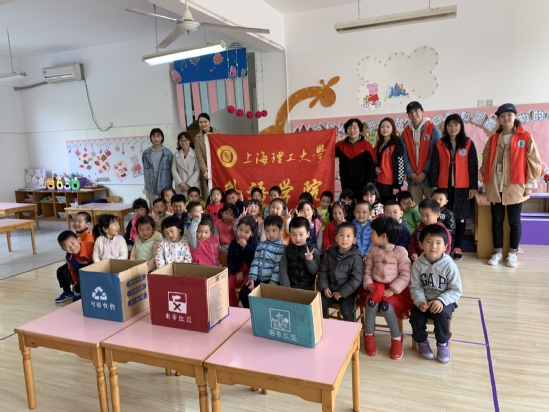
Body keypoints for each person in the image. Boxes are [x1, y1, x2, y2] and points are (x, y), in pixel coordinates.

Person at [479, 103, 542, 267]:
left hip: (516, 185)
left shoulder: (525, 137)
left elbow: (534, 161)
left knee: (514, 220)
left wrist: (530, 184)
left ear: (515, 116)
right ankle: (498, 252)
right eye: (502, 116)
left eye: (509, 115)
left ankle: (513, 253)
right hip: (496, 185)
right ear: (498, 119)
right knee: (497, 220)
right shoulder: (493, 139)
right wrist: (485, 183)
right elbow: (486, 161)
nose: (506, 118)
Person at [409, 224, 462, 363]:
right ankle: (422, 342)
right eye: (429, 242)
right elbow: (415, 287)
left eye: (438, 243)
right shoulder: (417, 264)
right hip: (424, 301)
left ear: (445, 247)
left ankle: (442, 344)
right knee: (415, 319)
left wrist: (441, 301)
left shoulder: (449, 265)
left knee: (441, 316)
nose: (433, 246)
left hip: (445, 301)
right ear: (421, 244)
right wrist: (420, 301)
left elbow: (456, 290)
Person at [362, 216, 412, 359]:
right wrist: (368, 284)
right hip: (375, 286)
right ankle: (368, 335)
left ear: (383, 236)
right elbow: (368, 270)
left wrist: (393, 289)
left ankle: (397, 338)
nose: (370, 235)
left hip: (395, 290)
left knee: (386, 307)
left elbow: (405, 275)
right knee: (371, 303)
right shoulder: (373, 250)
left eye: (373, 232)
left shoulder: (401, 252)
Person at [429, 114, 477, 259]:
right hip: (444, 187)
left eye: (456, 125)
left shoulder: (468, 143)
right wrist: (434, 186)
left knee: (460, 218)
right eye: (449, 125)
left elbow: (473, 166)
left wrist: (473, 187)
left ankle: (458, 247)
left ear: (461, 126)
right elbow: (434, 166)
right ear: (445, 127)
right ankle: (444, 246)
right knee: (443, 217)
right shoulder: (440, 143)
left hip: (463, 187)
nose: (453, 128)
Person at [318, 222, 363, 322]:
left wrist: (342, 292)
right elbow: (323, 272)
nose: (344, 239)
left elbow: (356, 279)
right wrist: (325, 287)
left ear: (354, 240)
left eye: (348, 236)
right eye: (341, 235)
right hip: (330, 289)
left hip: (348, 293)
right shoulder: (329, 253)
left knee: (347, 311)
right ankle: (323, 327)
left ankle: (350, 331)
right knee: (319, 305)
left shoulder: (356, 257)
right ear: (336, 238)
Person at [240, 215, 287, 308]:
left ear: (281, 230)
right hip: (258, 279)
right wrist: (252, 278)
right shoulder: (261, 244)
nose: (270, 234)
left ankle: (260, 314)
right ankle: (250, 314)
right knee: (244, 294)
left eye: (274, 230)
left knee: (264, 301)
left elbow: (278, 268)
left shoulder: (282, 247)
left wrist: (271, 286)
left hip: (271, 282)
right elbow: (255, 261)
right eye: (267, 231)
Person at [401, 101, 441, 202]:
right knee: (414, 207)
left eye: (416, 111)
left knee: (432, 207)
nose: (414, 114)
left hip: (429, 177)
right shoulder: (405, 133)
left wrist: (425, 172)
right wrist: (411, 173)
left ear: (422, 112)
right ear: (408, 115)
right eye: (410, 112)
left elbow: (435, 154)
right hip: (413, 179)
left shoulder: (433, 129)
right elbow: (404, 156)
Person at [55, 215, 94, 303]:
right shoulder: (69, 257)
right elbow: (72, 270)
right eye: (67, 247)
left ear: (79, 240)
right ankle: (73, 292)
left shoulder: (91, 246)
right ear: (63, 249)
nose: (72, 247)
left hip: (95, 269)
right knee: (65, 272)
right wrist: (76, 282)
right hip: (82, 270)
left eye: (73, 243)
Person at [336, 118, 376, 201]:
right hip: (346, 183)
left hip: (362, 183)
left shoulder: (366, 145)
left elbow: (371, 166)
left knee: (362, 205)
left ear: (360, 129)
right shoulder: (340, 145)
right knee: (347, 205)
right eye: (349, 128)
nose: (352, 130)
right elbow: (326, 151)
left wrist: (370, 182)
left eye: (355, 127)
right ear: (346, 130)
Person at [279, 217, 321, 291]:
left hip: (308, 288)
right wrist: (286, 287)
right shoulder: (287, 250)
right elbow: (283, 269)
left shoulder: (313, 251)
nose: (297, 238)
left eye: (301, 234)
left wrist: (310, 261)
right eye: (294, 234)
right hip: (290, 287)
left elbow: (315, 272)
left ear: (308, 234)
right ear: (290, 234)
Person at [227, 216, 259, 307]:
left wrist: (245, 246)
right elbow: (230, 259)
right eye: (240, 230)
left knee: (245, 289)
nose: (242, 233)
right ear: (237, 229)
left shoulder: (254, 242)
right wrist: (237, 272)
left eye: (246, 232)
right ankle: (234, 305)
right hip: (238, 271)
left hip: (251, 272)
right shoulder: (233, 243)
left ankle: (244, 306)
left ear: (251, 233)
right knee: (227, 284)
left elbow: (255, 257)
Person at [374, 117, 404, 204]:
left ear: (392, 129)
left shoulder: (396, 145)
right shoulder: (378, 145)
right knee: (378, 207)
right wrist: (375, 168)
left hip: (390, 184)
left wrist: (397, 185)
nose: (385, 129)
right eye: (382, 127)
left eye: (388, 127)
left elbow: (400, 166)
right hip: (378, 182)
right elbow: (376, 162)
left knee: (389, 208)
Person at [142, 128, 173, 203]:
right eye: (154, 136)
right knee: (154, 204)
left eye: (158, 136)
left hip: (164, 183)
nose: (156, 139)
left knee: (165, 204)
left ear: (162, 137)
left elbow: (172, 169)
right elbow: (144, 168)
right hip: (151, 183)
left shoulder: (168, 153)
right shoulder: (146, 153)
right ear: (151, 138)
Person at [194, 113, 222, 181]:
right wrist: (205, 170)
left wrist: (213, 137)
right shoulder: (197, 138)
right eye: (200, 122)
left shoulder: (219, 133)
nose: (203, 124)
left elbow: (224, 148)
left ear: (209, 122)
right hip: (208, 168)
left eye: (205, 121)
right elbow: (200, 156)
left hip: (220, 166)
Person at [172, 131, 200, 197]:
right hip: (180, 186)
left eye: (185, 140)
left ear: (190, 141)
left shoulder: (196, 153)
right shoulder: (176, 154)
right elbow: (173, 170)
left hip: (193, 185)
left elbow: (197, 170)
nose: (183, 142)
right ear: (179, 142)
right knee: (180, 202)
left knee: (193, 202)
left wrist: (188, 184)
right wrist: (181, 183)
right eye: (181, 141)